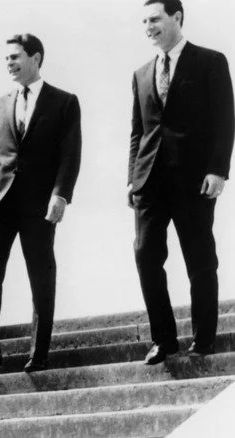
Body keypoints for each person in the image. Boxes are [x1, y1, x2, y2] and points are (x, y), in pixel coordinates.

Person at [129, 0, 234, 365]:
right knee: (145, 255)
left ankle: (204, 338)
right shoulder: (141, 74)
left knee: (199, 258)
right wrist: (132, 178)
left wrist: (218, 169)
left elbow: (225, 120)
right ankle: (164, 339)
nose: (148, 26)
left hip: (193, 181)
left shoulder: (210, 61)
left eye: (155, 19)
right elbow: (138, 131)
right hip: (149, 182)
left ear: (177, 17)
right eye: (144, 21)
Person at [0, 33, 81, 373]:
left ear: (36, 58)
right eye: (6, 58)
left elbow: (70, 154)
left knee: (40, 276)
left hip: (39, 204)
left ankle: (40, 353)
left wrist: (61, 195)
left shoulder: (63, 101)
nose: (10, 63)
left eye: (16, 56)